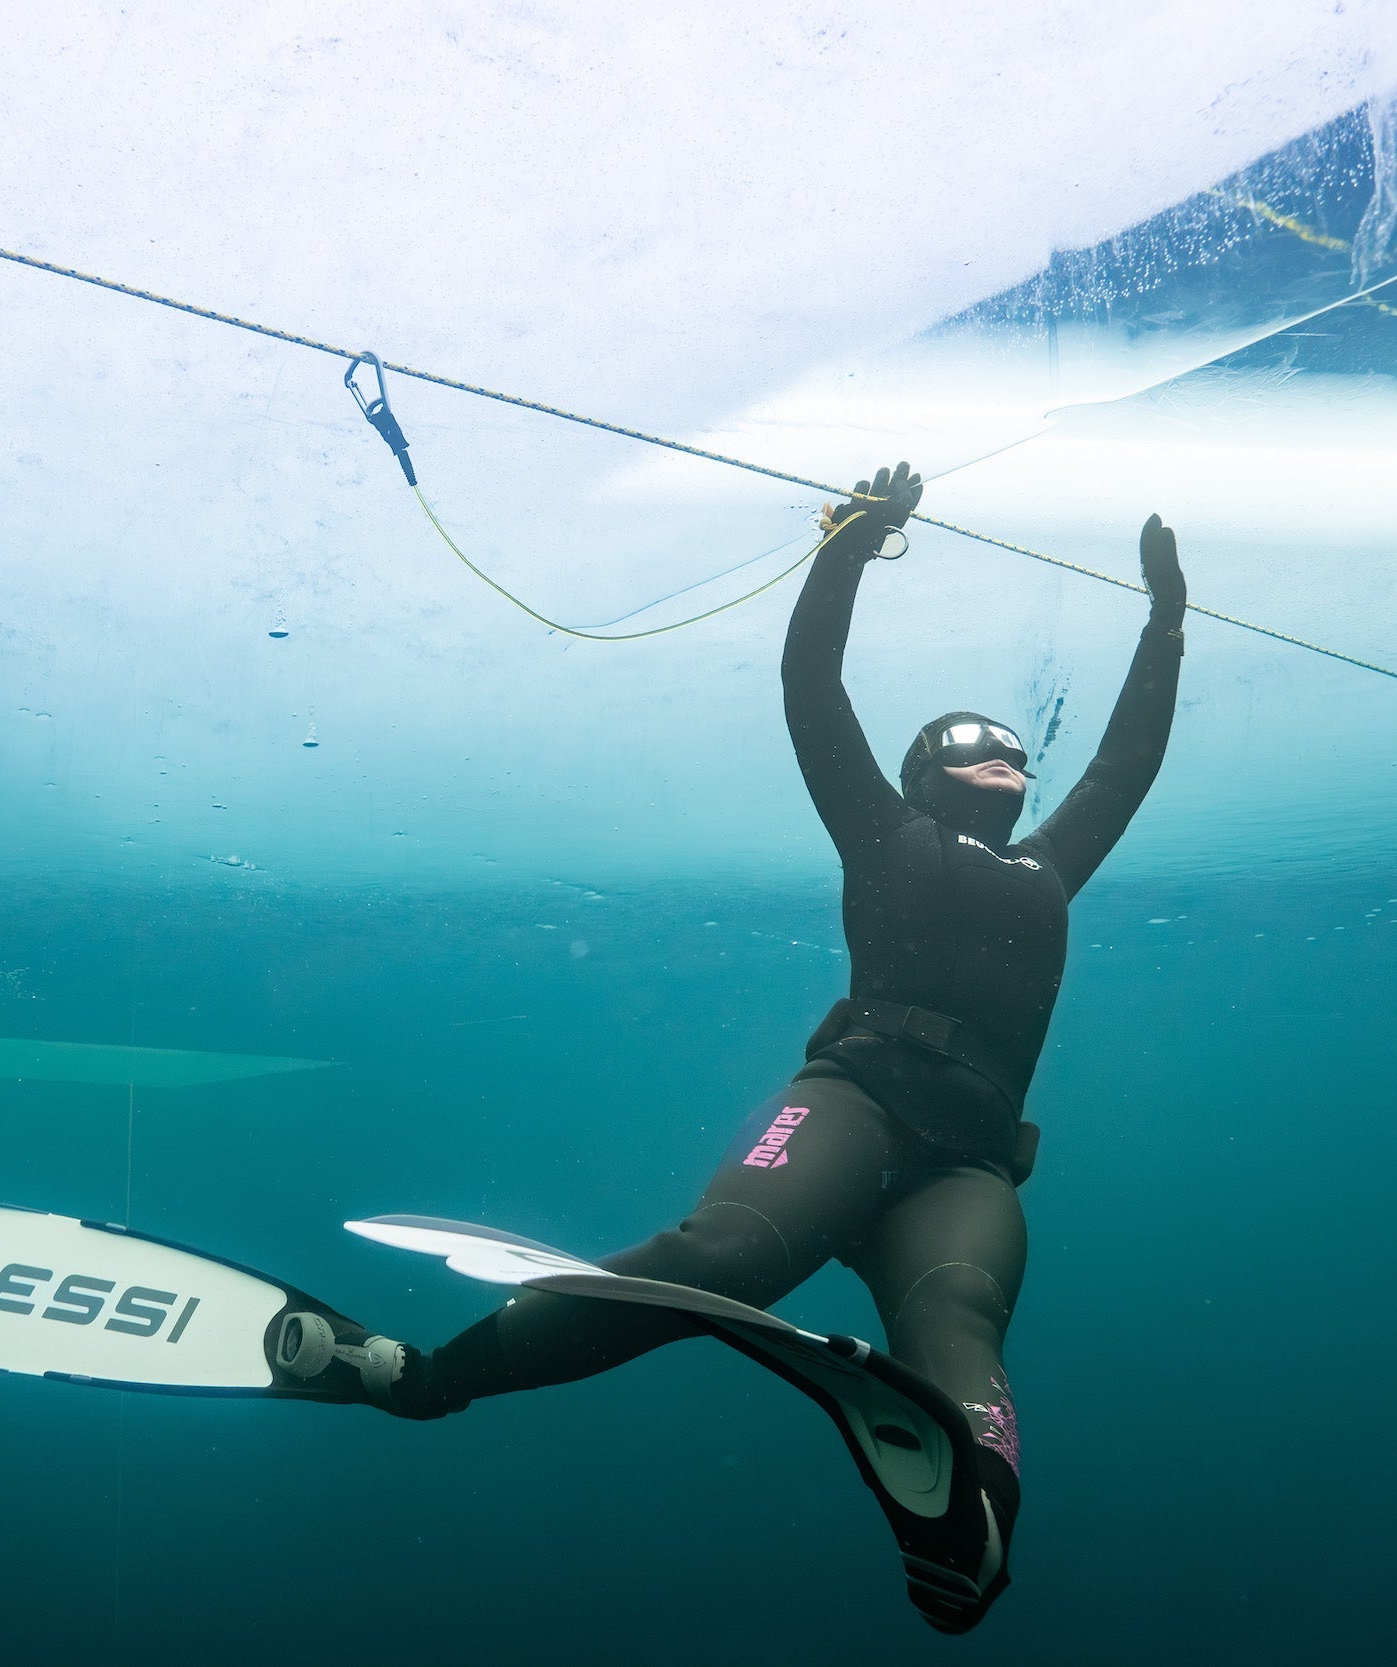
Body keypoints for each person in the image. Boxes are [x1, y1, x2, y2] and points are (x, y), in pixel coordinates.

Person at [299, 464, 1187, 1633]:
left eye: (1018, 748)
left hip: (966, 1163)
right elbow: (811, 685)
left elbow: (1124, 763)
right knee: (717, 1260)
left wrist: (1165, 622)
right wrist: (852, 545)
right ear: (927, 770)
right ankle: (424, 1379)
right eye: (978, 741)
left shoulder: (1047, 864)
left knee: (958, 1321)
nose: (1009, 754)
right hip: (853, 1104)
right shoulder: (882, 827)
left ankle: (968, 1537)